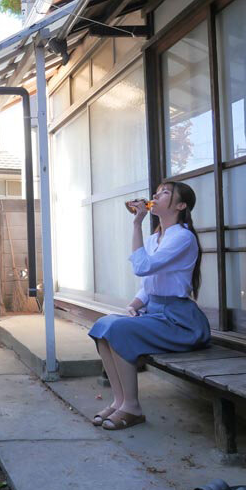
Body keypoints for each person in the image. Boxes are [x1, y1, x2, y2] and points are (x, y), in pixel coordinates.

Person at [88, 181, 210, 430]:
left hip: (180, 321)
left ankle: (132, 407)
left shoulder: (183, 237)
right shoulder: (156, 238)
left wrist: (136, 224)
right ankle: (119, 401)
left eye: (165, 192)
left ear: (181, 205)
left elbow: (143, 267)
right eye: (157, 191)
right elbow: (150, 282)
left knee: (119, 330)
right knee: (103, 325)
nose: (156, 195)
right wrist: (133, 305)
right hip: (155, 313)